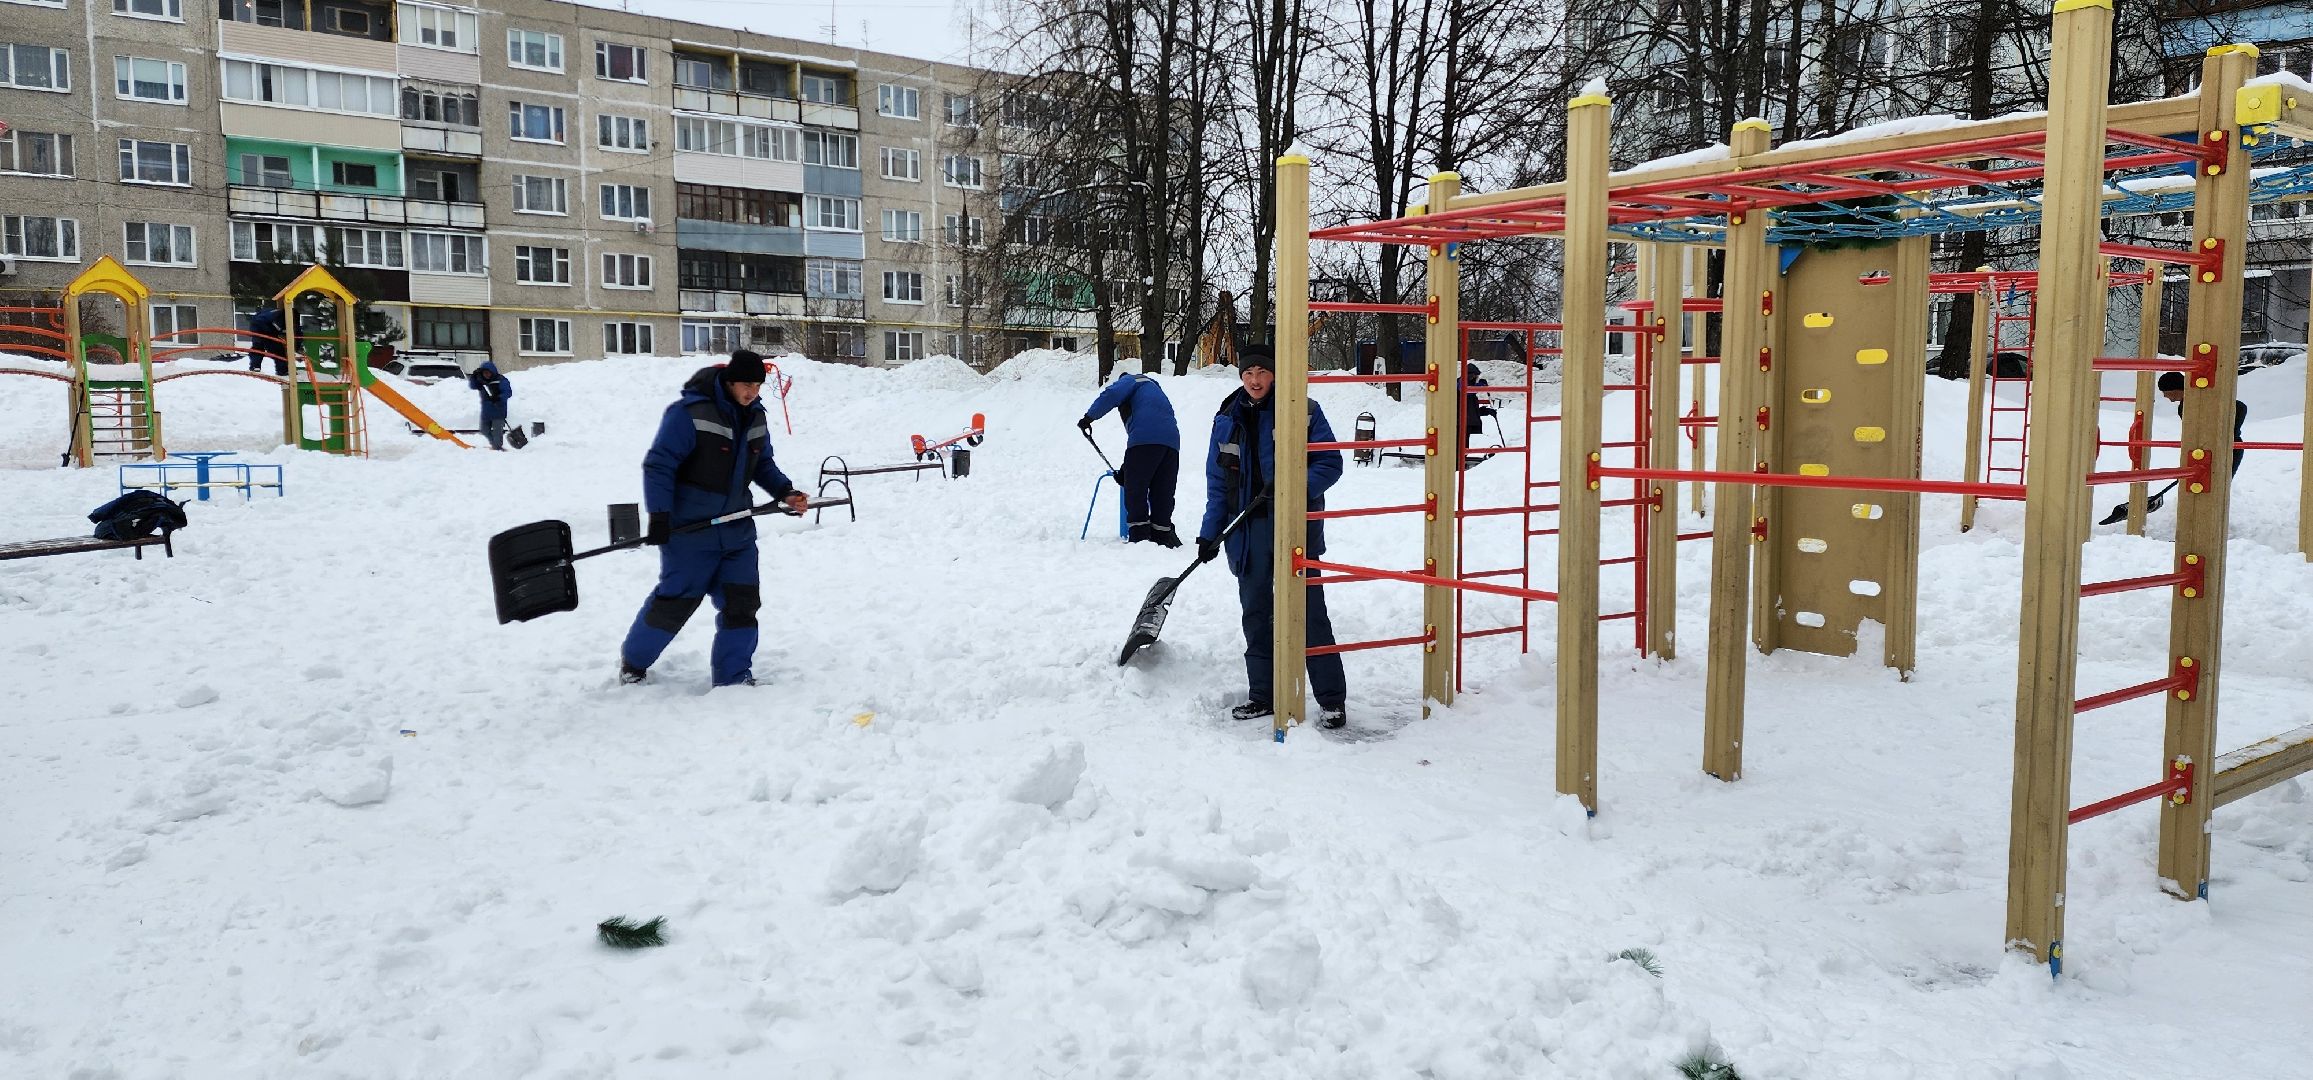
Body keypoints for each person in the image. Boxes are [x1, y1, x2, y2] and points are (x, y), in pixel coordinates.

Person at [619, 350, 806, 688]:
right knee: (674, 603)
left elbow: (762, 465)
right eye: (746, 384)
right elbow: (659, 465)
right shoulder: (689, 413)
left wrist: (786, 492)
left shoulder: (756, 417)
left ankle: (733, 677)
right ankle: (634, 662)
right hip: (690, 532)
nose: (752, 392)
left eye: (758, 385)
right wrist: (659, 515)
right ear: (730, 381)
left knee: (742, 603)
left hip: (737, 529)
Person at [1194, 349, 1349, 729]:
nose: (1255, 379)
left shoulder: (1303, 409)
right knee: (1257, 615)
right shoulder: (1227, 419)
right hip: (1247, 533)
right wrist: (1210, 532)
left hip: (1294, 528)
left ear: (1276, 374)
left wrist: (1292, 491)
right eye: (1249, 372)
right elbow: (1219, 484)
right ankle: (1263, 695)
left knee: (1309, 613)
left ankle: (1331, 700)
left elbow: (1330, 462)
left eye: (1263, 371)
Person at [1079, 370, 1181, 547]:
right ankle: (1162, 533)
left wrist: (1089, 417)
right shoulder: (1153, 388)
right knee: (1162, 490)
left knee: (1136, 490)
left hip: (1144, 440)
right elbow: (1147, 455)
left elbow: (1111, 394)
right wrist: (1127, 470)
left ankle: (1140, 537)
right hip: (1171, 443)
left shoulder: (1130, 380)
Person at [2157, 371, 2247, 476]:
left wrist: (2228, 435)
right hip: (2205, 450)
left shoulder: (2205, 398)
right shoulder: (2183, 407)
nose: (2164, 396)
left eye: (2165, 392)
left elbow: (2240, 408)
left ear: (2174, 389)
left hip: (2226, 448)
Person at [469, 359, 512, 450]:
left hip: (498, 410)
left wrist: (499, 398)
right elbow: (473, 386)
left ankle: (497, 448)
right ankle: (495, 446)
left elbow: (508, 392)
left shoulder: (501, 380)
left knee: (497, 432)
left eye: (488, 372)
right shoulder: (481, 381)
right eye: (484, 373)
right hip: (487, 411)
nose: (486, 375)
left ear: (493, 372)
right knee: (484, 430)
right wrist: (473, 376)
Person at [246, 305, 287, 376]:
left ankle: (255, 366)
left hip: (256, 327)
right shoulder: (281, 316)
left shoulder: (272, 311)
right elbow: (279, 328)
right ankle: (282, 371)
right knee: (279, 350)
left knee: (257, 347)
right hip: (263, 329)